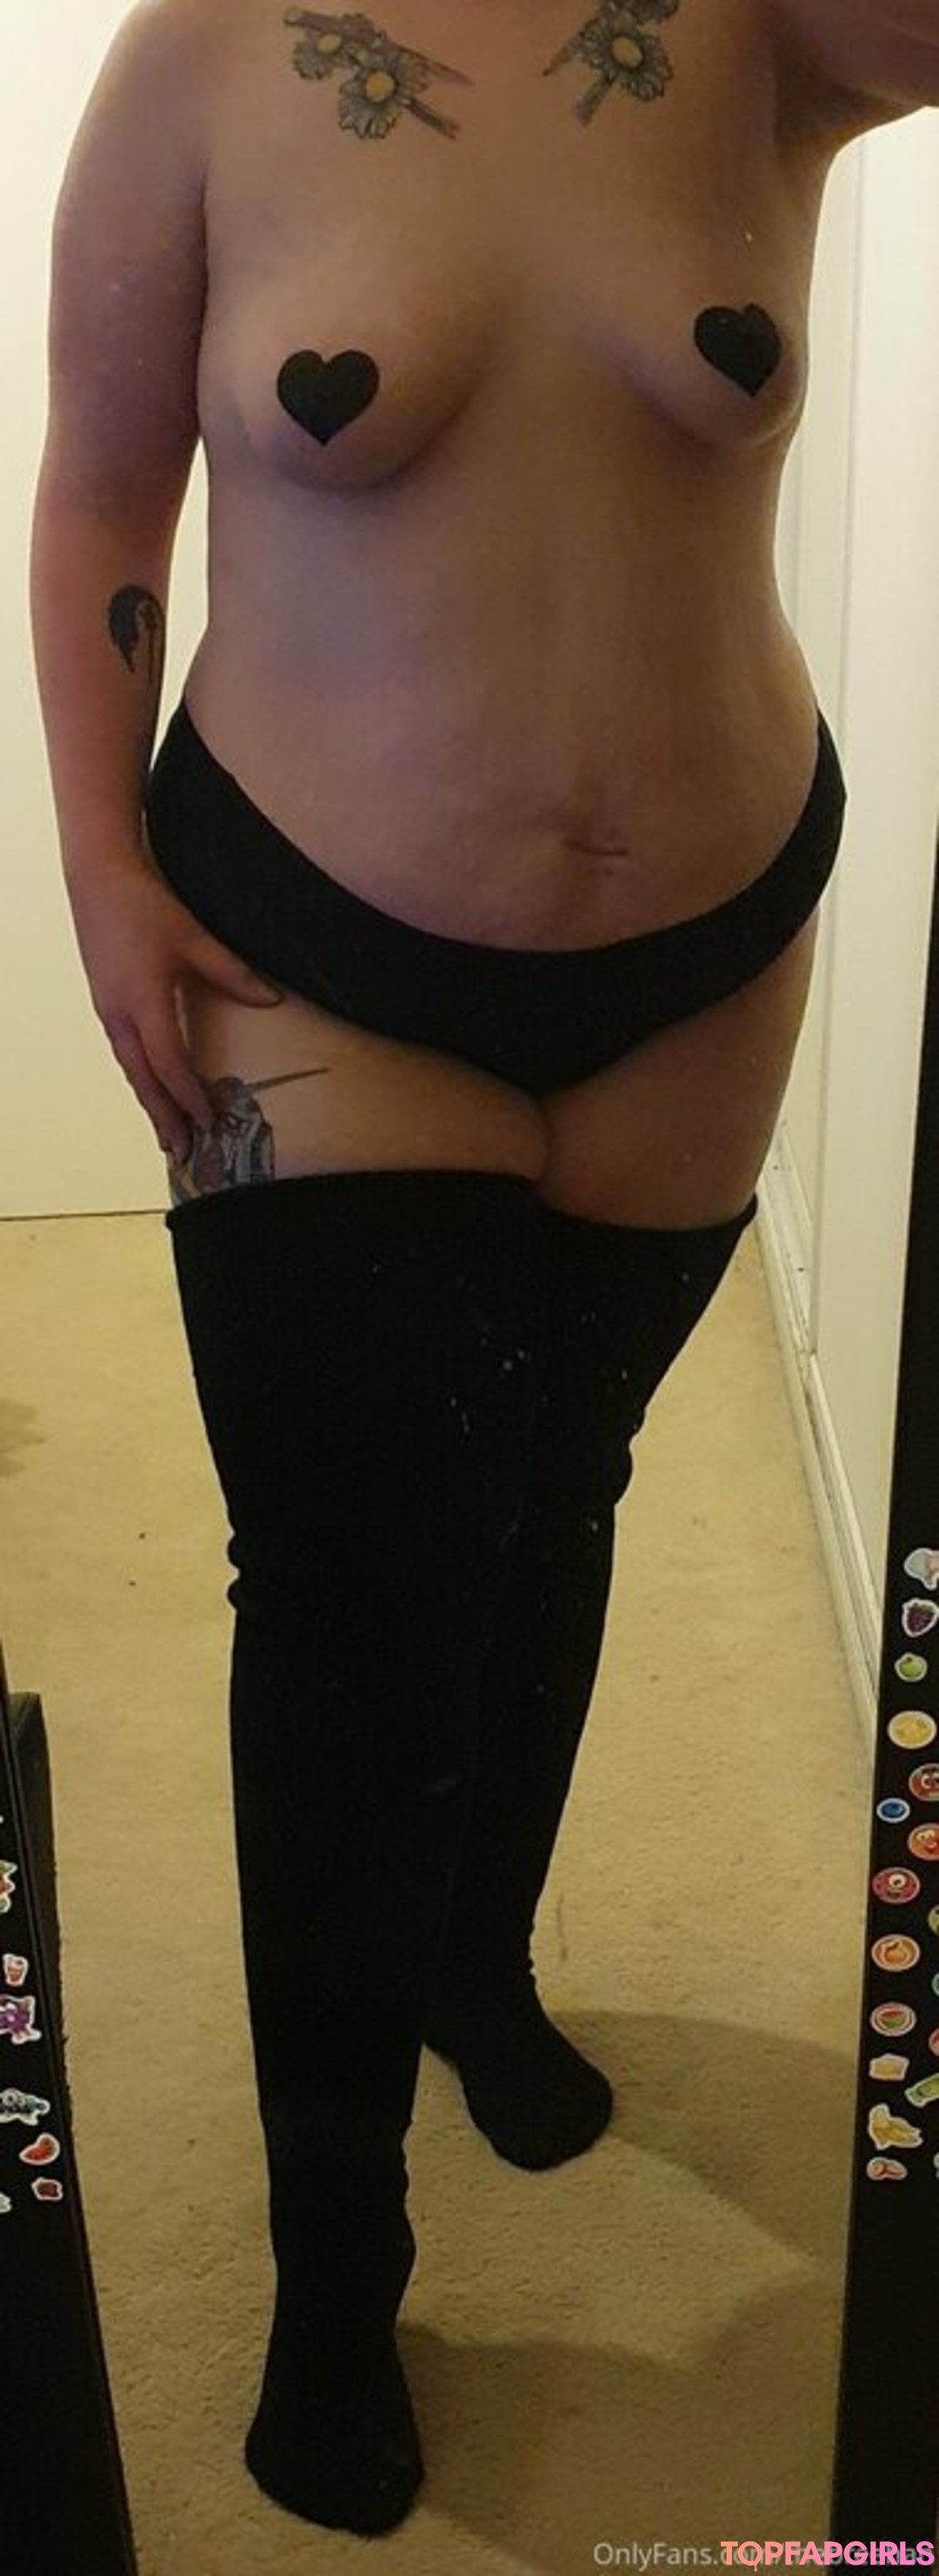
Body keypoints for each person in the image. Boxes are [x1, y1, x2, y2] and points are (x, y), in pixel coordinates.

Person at [36, 0, 913, 2539]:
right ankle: (335, 2261)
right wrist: (99, 866)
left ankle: (473, 1956)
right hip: (305, 945)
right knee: (348, 1611)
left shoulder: (770, 33)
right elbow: (98, 495)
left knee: (557, 1494)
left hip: (715, 934)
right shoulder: (201, 63)